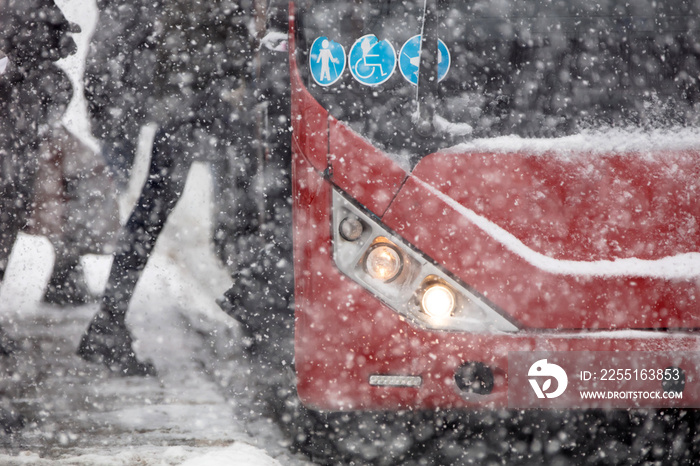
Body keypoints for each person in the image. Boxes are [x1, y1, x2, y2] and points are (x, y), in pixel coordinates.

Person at [78, 0, 261, 376]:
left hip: (192, 99)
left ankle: (109, 321)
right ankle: (249, 299)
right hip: (200, 100)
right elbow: (191, 37)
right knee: (235, 203)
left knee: (162, 209)